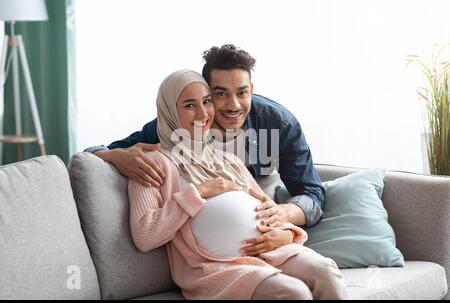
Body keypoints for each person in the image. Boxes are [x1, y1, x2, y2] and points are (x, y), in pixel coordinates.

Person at [128, 69, 348, 300]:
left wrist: (286, 234)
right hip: (219, 267)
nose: (203, 113)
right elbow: (145, 236)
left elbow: (266, 206)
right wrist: (198, 193)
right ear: (170, 110)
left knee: (326, 272)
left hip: (272, 251)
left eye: (206, 102)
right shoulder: (152, 163)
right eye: (190, 105)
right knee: (293, 293)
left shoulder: (228, 161)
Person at [86, 44, 324, 255]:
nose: (233, 105)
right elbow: (91, 154)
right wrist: (112, 155)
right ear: (206, 93)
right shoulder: (177, 126)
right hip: (208, 243)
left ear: (251, 89)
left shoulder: (278, 124)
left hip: (262, 222)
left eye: (242, 92)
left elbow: (312, 192)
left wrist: (283, 216)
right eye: (220, 94)